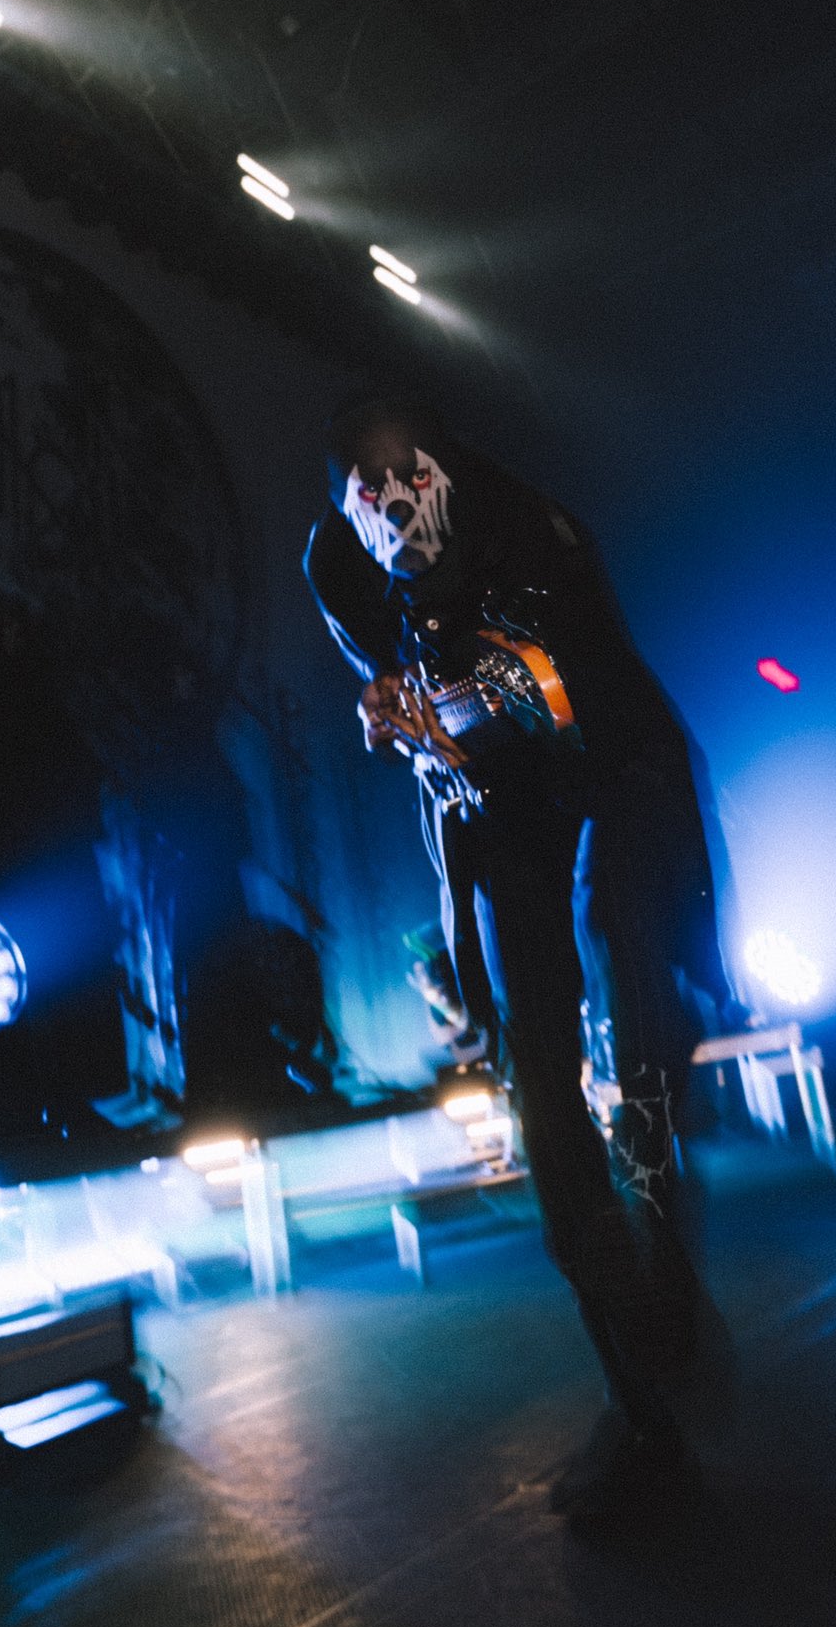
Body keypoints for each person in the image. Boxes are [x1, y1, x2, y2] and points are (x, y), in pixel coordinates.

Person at [305, 392, 731, 1522]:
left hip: (606, 772)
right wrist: (390, 707)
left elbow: (574, 702)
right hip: (494, 807)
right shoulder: (335, 564)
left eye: (413, 493)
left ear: (446, 477)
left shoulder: (535, 533)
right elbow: (397, 687)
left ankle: (662, 1264)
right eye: (372, 506)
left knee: (635, 1023)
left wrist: (449, 702)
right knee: (539, 1077)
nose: (396, 521)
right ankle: (638, 1388)